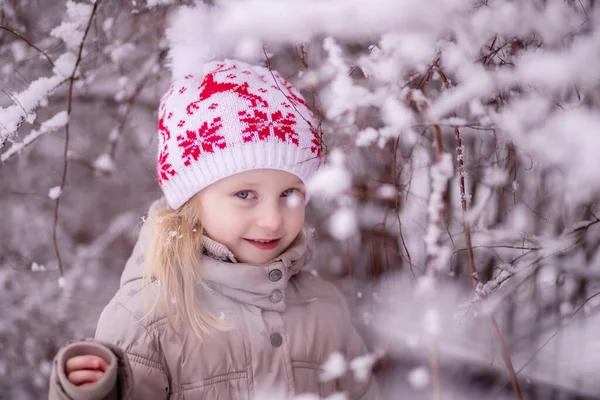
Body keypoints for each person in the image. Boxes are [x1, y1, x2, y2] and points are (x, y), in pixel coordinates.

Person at [48, 4, 379, 400]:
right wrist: (87, 394)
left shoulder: (325, 308)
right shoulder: (148, 317)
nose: (272, 220)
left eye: (289, 193)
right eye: (245, 194)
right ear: (191, 200)